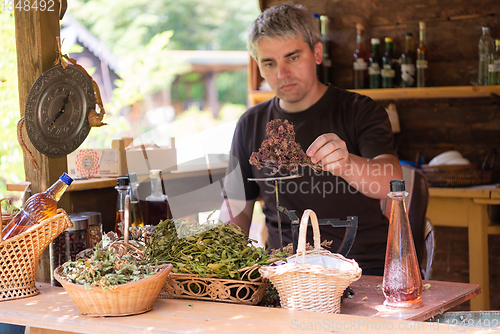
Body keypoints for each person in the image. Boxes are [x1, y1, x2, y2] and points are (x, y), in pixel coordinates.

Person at [220, 3, 402, 275]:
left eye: (292, 58)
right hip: (284, 276)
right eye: (269, 63)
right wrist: (221, 254)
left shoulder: (360, 110)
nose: (282, 74)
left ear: (317, 53)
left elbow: (392, 181)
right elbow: (237, 207)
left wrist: (348, 165)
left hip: (364, 272)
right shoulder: (251, 123)